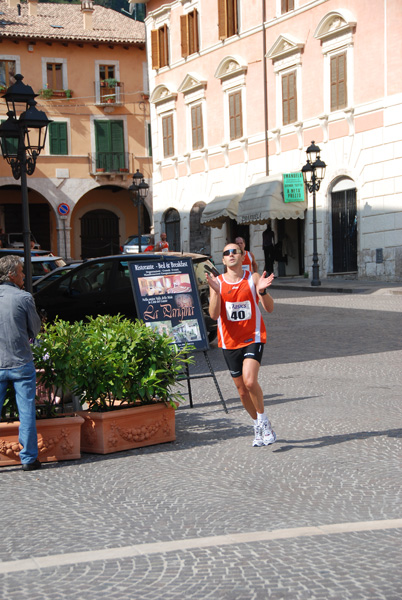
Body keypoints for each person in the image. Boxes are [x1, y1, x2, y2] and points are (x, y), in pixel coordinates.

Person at [205, 243, 276, 447]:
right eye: (226, 252)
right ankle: (256, 425)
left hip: (253, 336)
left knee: (250, 381)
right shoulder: (217, 282)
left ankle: (264, 422)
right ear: (223, 259)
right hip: (229, 341)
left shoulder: (252, 278)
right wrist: (217, 293)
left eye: (234, 251)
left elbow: (269, 309)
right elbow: (214, 315)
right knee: (242, 391)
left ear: (242, 256)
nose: (230, 255)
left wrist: (262, 292)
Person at [0, 255, 42, 471]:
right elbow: (34, 330)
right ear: (11, 275)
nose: (24, 275)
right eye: (22, 272)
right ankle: (28, 459)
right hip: (20, 362)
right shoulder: (24, 298)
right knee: (26, 411)